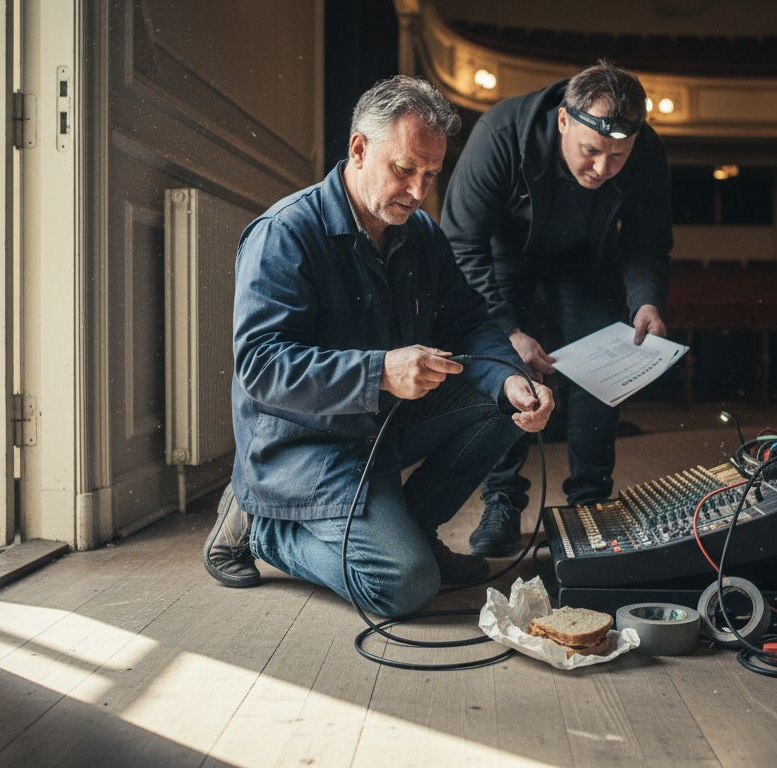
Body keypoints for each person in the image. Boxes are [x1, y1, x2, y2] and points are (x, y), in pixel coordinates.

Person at [203, 76, 554, 618]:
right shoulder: (285, 233)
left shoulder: (422, 234)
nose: (418, 192)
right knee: (405, 586)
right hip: (304, 448)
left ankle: (413, 534)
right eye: (405, 169)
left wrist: (513, 381)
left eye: (431, 174)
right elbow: (260, 366)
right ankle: (267, 527)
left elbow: (470, 321)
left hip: (379, 428)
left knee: (501, 401)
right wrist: (380, 373)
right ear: (359, 149)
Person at [441, 61, 673, 556]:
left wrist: (645, 299)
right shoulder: (501, 133)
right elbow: (461, 242)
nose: (603, 168)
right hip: (505, 254)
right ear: (564, 122)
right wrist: (505, 329)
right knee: (506, 366)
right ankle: (502, 500)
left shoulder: (648, 152)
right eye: (591, 151)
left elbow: (647, 243)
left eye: (618, 156)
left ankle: (590, 505)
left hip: (586, 262)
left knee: (601, 375)